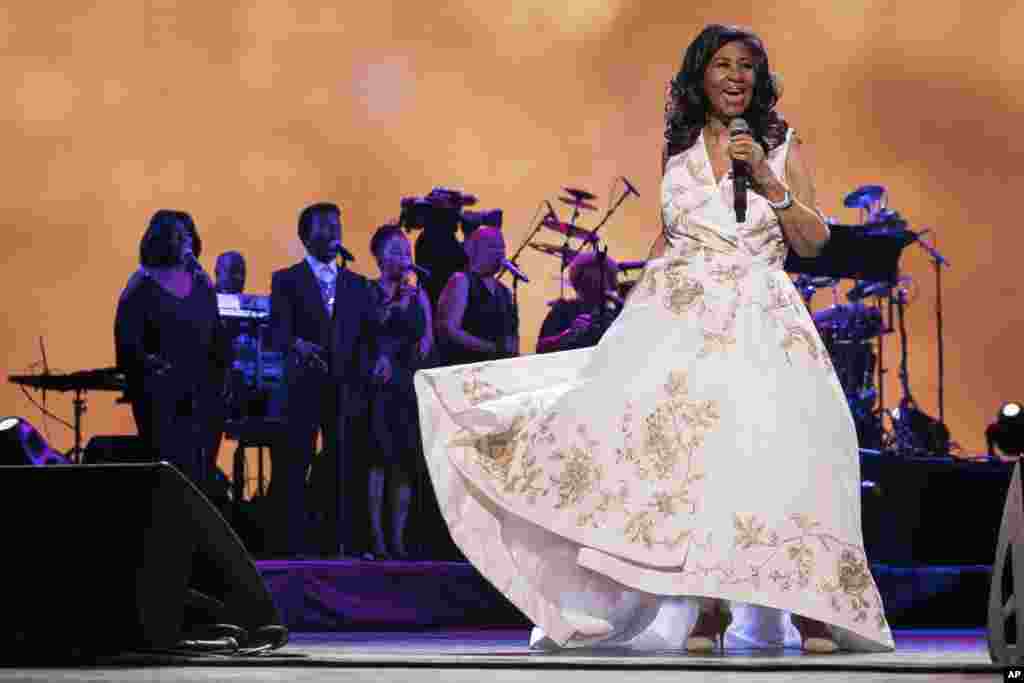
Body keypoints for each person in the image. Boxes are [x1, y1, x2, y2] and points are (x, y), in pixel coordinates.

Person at [414, 24, 893, 654]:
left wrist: (771, 185)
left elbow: (812, 242)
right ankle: (707, 607)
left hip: (760, 314)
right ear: (701, 74)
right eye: (722, 64)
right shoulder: (677, 149)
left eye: (747, 66)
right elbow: (668, 239)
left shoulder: (779, 146)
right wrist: (632, 322)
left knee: (783, 449)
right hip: (683, 319)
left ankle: (804, 604)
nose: (735, 76)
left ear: (760, 79)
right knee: (692, 458)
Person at [268, 202, 382, 558]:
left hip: (344, 385)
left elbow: (370, 333)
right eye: (324, 226)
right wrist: (296, 344)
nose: (333, 232)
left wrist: (377, 359)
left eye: (337, 225)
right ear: (305, 236)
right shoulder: (287, 279)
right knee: (294, 462)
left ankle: (338, 540)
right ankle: (289, 544)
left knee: (342, 462)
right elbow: (277, 330)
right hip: (303, 384)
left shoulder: (357, 284)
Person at [115, 210, 229, 490]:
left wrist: (224, 371)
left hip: (204, 396)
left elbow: (216, 335)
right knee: (173, 473)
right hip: (161, 396)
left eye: (188, 234)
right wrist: (151, 365)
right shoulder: (141, 284)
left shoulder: (202, 283)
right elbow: (127, 342)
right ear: (160, 240)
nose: (186, 240)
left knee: (202, 474)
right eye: (178, 235)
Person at [364, 224, 433, 559]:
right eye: (394, 251)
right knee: (378, 459)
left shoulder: (418, 294)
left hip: (407, 382)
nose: (403, 257)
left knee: (405, 463)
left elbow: (427, 339)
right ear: (377, 257)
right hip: (379, 383)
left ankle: (399, 538)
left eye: (406, 251)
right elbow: (366, 329)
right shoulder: (367, 290)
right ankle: (377, 538)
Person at [436, 226, 519, 366]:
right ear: (472, 249)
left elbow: (512, 334)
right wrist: (491, 348)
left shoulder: (505, 292)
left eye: (501, 247)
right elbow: (450, 329)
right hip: (465, 368)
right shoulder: (462, 281)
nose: (499, 252)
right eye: (492, 246)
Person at [537, 251, 622, 354]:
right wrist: (568, 334)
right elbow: (541, 348)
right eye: (590, 278)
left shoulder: (617, 312)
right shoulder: (564, 309)